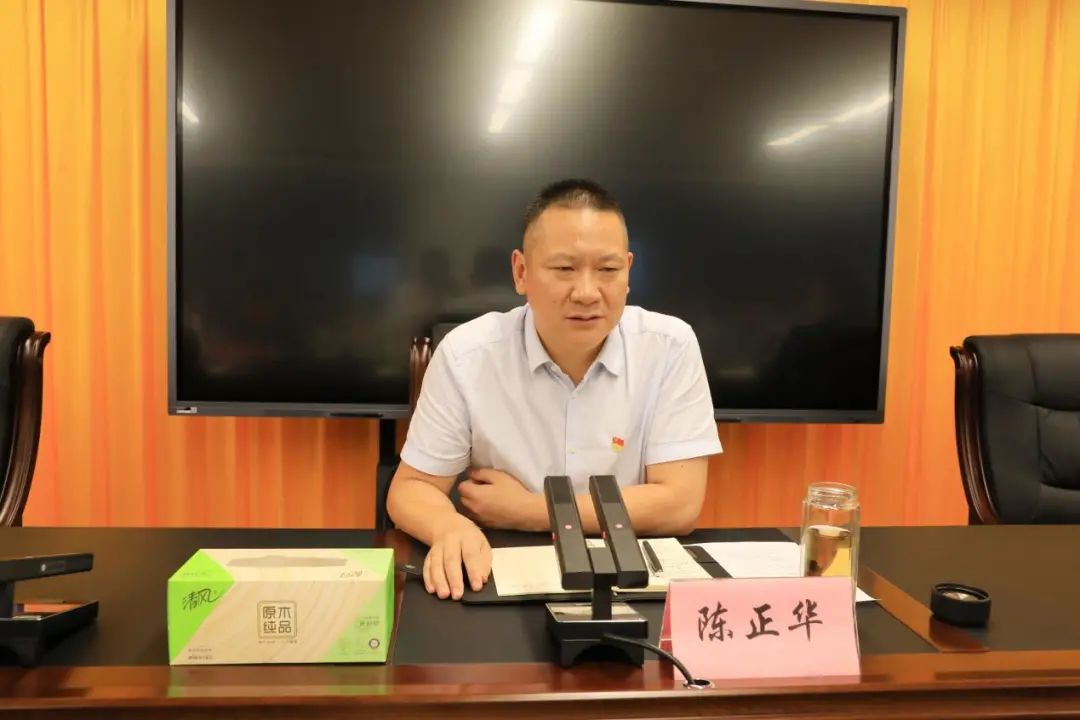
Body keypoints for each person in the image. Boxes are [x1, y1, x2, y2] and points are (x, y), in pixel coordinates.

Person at [386, 179, 722, 600]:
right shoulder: (467, 355)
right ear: (521, 272)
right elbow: (410, 489)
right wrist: (450, 527)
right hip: (499, 573)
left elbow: (680, 506)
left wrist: (531, 511)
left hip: (628, 580)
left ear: (628, 272)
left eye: (608, 270)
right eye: (564, 269)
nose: (587, 293)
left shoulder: (669, 346)